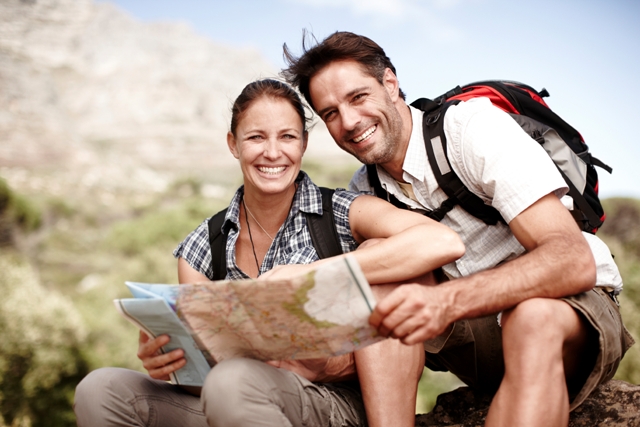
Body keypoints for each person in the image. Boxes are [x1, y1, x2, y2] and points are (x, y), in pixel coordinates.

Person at [281, 31, 635, 427]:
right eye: (330, 113)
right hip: (481, 342)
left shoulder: (470, 128)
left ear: (390, 84)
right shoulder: (364, 191)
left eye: (358, 97)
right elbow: (362, 321)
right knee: (377, 271)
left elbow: (571, 260)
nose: (348, 122)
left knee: (532, 318)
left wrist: (445, 302)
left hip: (569, 316)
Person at [74, 78, 465, 427]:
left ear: (304, 144)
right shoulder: (200, 249)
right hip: (235, 404)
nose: (273, 153)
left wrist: (312, 281)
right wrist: (174, 366)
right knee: (101, 389)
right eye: (256, 137)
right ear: (234, 145)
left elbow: (440, 242)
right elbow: (204, 387)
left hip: (334, 406)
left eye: (288, 137)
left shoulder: (343, 212)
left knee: (233, 382)